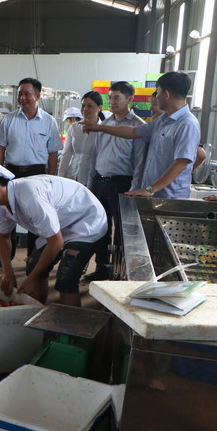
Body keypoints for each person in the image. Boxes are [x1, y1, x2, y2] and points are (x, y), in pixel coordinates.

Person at [0, 160, 107, 307]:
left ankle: (71, 327)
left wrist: (31, 279)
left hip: (86, 222)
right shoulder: (3, 204)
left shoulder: (30, 196)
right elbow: (4, 236)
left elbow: (55, 242)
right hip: (60, 224)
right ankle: (39, 313)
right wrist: (7, 272)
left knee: (66, 279)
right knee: (34, 267)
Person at [83, 71, 200, 199]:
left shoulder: (187, 124)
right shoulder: (162, 120)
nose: (156, 96)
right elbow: (134, 131)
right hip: (153, 194)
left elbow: (181, 163)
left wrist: (150, 189)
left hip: (170, 197)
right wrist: (99, 128)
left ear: (166, 95)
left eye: (158, 91)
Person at [0, 77, 64, 269]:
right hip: (11, 174)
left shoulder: (49, 122)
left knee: (36, 216)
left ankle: (33, 256)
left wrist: (51, 176)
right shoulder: (9, 120)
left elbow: (53, 152)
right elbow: (0, 150)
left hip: (37, 175)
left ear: (38, 96)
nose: (22, 98)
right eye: (20, 94)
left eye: (27, 94)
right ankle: (5, 256)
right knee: (7, 215)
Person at [85, 81, 147, 281]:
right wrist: (91, 182)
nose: (111, 102)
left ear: (130, 99)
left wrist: (135, 188)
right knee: (101, 227)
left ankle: (118, 273)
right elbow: (96, 156)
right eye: (109, 97)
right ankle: (102, 267)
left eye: (116, 97)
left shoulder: (138, 126)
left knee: (122, 231)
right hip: (100, 182)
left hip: (123, 184)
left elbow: (139, 162)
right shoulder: (104, 124)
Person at [151, 92, 206, 172]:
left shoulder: (184, 125)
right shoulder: (157, 125)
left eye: (155, 104)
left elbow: (201, 155)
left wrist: (181, 174)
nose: (151, 108)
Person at [57, 93, 104, 186]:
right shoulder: (74, 128)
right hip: (73, 177)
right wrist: (60, 177)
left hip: (94, 180)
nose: (85, 109)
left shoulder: (104, 129)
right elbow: (66, 154)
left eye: (89, 106)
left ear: (99, 107)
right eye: (83, 105)